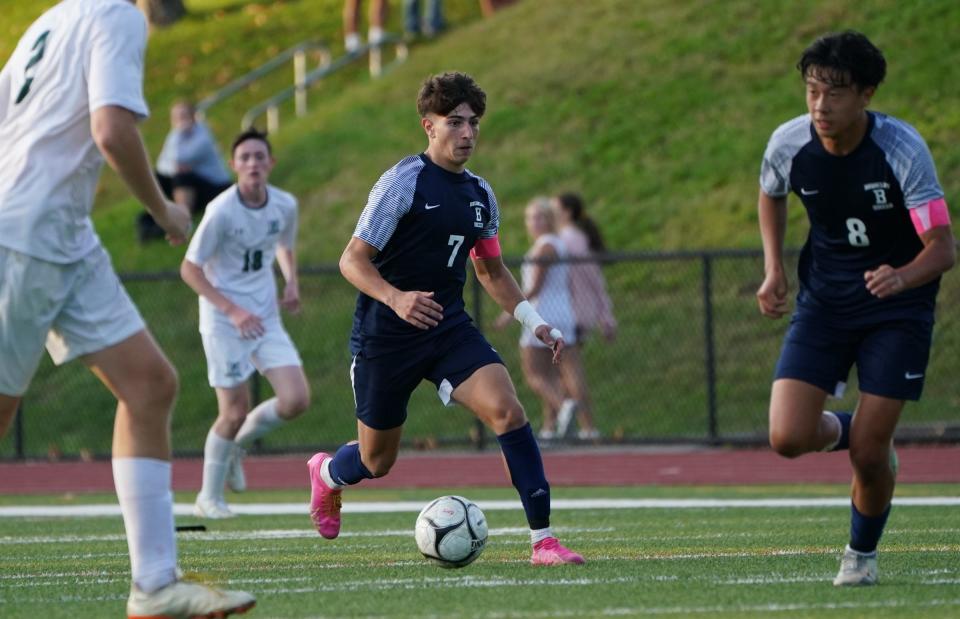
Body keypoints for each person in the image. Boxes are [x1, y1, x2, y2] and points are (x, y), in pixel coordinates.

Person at [0, 1, 255, 617]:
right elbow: (112, 131)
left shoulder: (53, 18)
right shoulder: (115, 15)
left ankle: (155, 585)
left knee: (149, 384)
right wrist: (166, 210)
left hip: (62, 235)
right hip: (27, 235)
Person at [308, 71, 585, 566]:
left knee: (509, 410)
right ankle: (328, 474)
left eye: (474, 123)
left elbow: (491, 270)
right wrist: (396, 299)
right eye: (454, 122)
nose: (467, 133)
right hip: (386, 334)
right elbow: (352, 260)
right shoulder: (403, 182)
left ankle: (543, 540)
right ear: (428, 126)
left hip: (446, 328)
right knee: (377, 460)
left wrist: (532, 321)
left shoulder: (480, 195)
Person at [757, 31, 955, 587]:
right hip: (823, 305)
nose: (820, 106)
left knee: (870, 455)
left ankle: (861, 555)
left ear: (867, 94)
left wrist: (903, 276)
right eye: (813, 92)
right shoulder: (789, 142)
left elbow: (943, 248)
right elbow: (770, 191)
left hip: (898, 311)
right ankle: (866, 429)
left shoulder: (902, 150)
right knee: (787, 437)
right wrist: (774, 267)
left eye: (835, 94)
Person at [181, 128, 310, 519]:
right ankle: (208, 497)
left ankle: (239, 445)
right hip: (225, 321)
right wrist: (233, 311)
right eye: (245, 158)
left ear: (270, 163)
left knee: (295, 399)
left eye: (260, 156)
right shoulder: (220, 211)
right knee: (233, 410)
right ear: (235, 166)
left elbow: (284, 247)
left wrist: (290, 282)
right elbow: (190, 269)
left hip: (266, 316)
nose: (253, 163)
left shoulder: (285, 205)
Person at [495, 197, 600, 441]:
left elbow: (535, 287)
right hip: (563, 313)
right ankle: (562, 428)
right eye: (530, 217)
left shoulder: (546, 247)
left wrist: (508, 313)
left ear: (549, 219)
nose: (533, 222)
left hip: (542, 315)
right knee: (562, 373)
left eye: (539, 217)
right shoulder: (559, 244)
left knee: (535, 374)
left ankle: (564, 407)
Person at [551, 191, 615, 437]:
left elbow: (593, 280)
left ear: (566, 212)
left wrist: (606, 317)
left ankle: (588, 428)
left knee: (570, 371)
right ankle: (558, 426)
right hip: (569, 312)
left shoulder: (571, 240)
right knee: (560, 372)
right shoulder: (564, 238)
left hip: (573, 314)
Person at [138, 101, 232, 242]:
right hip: (195, 186)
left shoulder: (202, 136)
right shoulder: (175, 135)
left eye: (183, 116)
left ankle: (184, 221)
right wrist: (176, 164)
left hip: (217, 188)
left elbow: (179, 157)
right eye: (175, 118)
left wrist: (178, 135)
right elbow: (162, 165)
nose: (179, 121)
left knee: (182, 177)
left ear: (193, 117)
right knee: (158, 177)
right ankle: (159, 216)